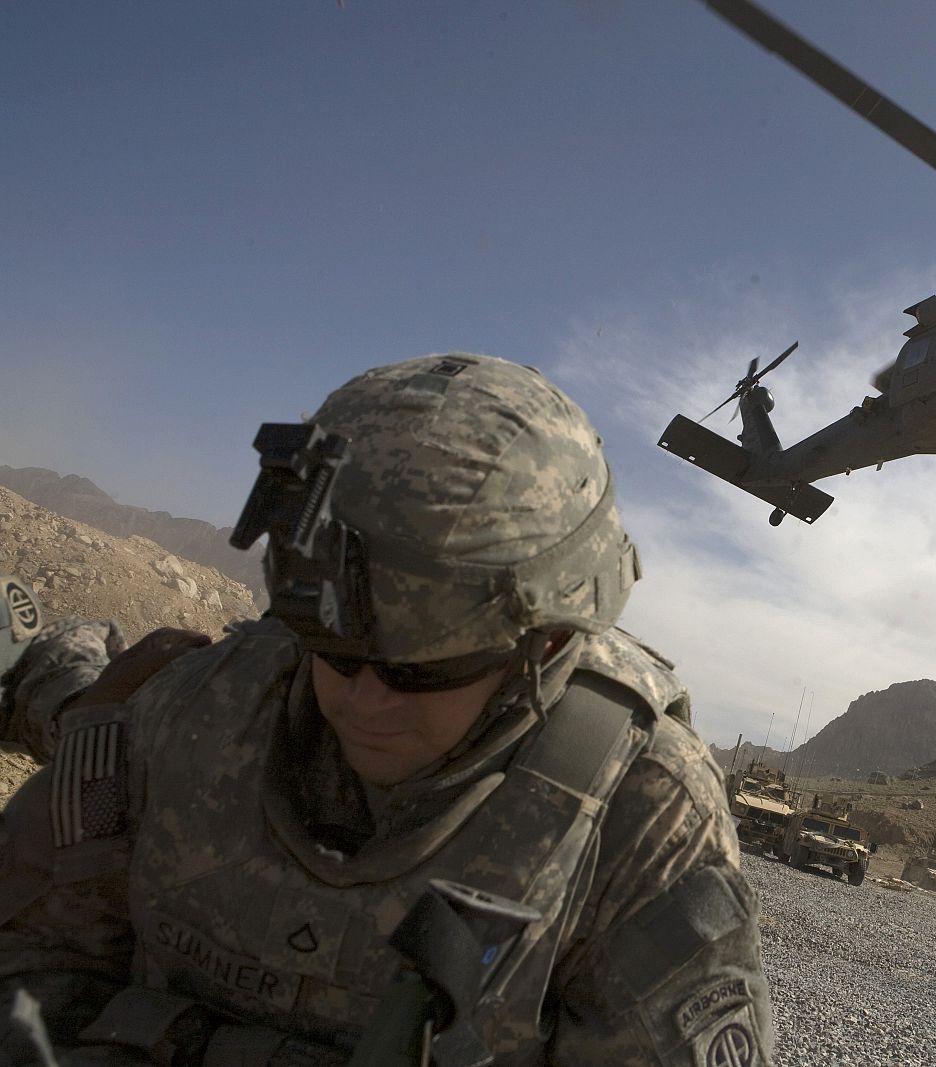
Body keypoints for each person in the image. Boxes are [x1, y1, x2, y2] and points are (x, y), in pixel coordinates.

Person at [0, 354, 771, 1066]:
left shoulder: (640, 816)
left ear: (550, 641)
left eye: (425, 669)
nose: (363, 700)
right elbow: (38, 968)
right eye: (332, 645)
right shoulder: (203, 703)